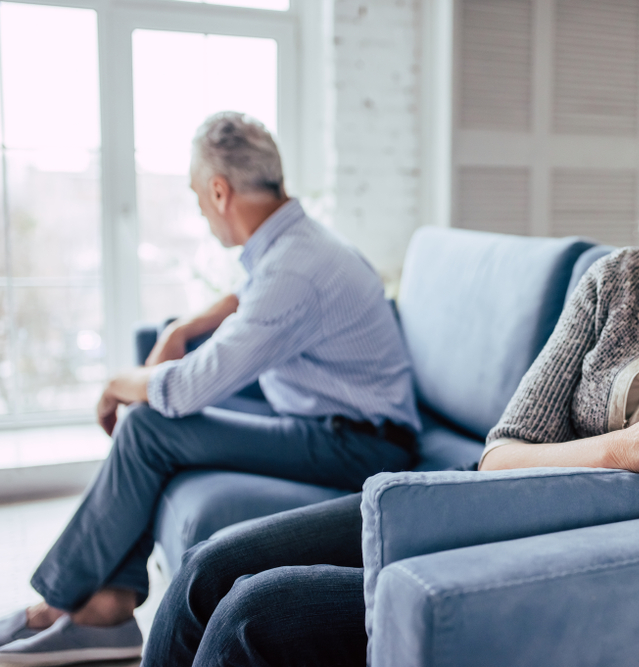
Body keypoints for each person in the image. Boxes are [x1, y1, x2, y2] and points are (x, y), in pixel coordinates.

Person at [132, 81, 639, 666]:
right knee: (209, 568)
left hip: (564, 567)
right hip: (482, 505)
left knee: (259, 614)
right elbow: (501, 453)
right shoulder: (616, 280)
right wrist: (632, 446)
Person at [0, 112, 420, 665]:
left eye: (198, 197)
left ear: (219, 191)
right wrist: (183, 328)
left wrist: (115, 384)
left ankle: (69, 604)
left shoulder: (294, 266)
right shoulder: (294, 241)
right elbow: (246, 295)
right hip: (329, 419)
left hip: (361, 445)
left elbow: (187, 388)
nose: (200, 210)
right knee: (152, 422)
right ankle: (107, 603)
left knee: (151, 422)